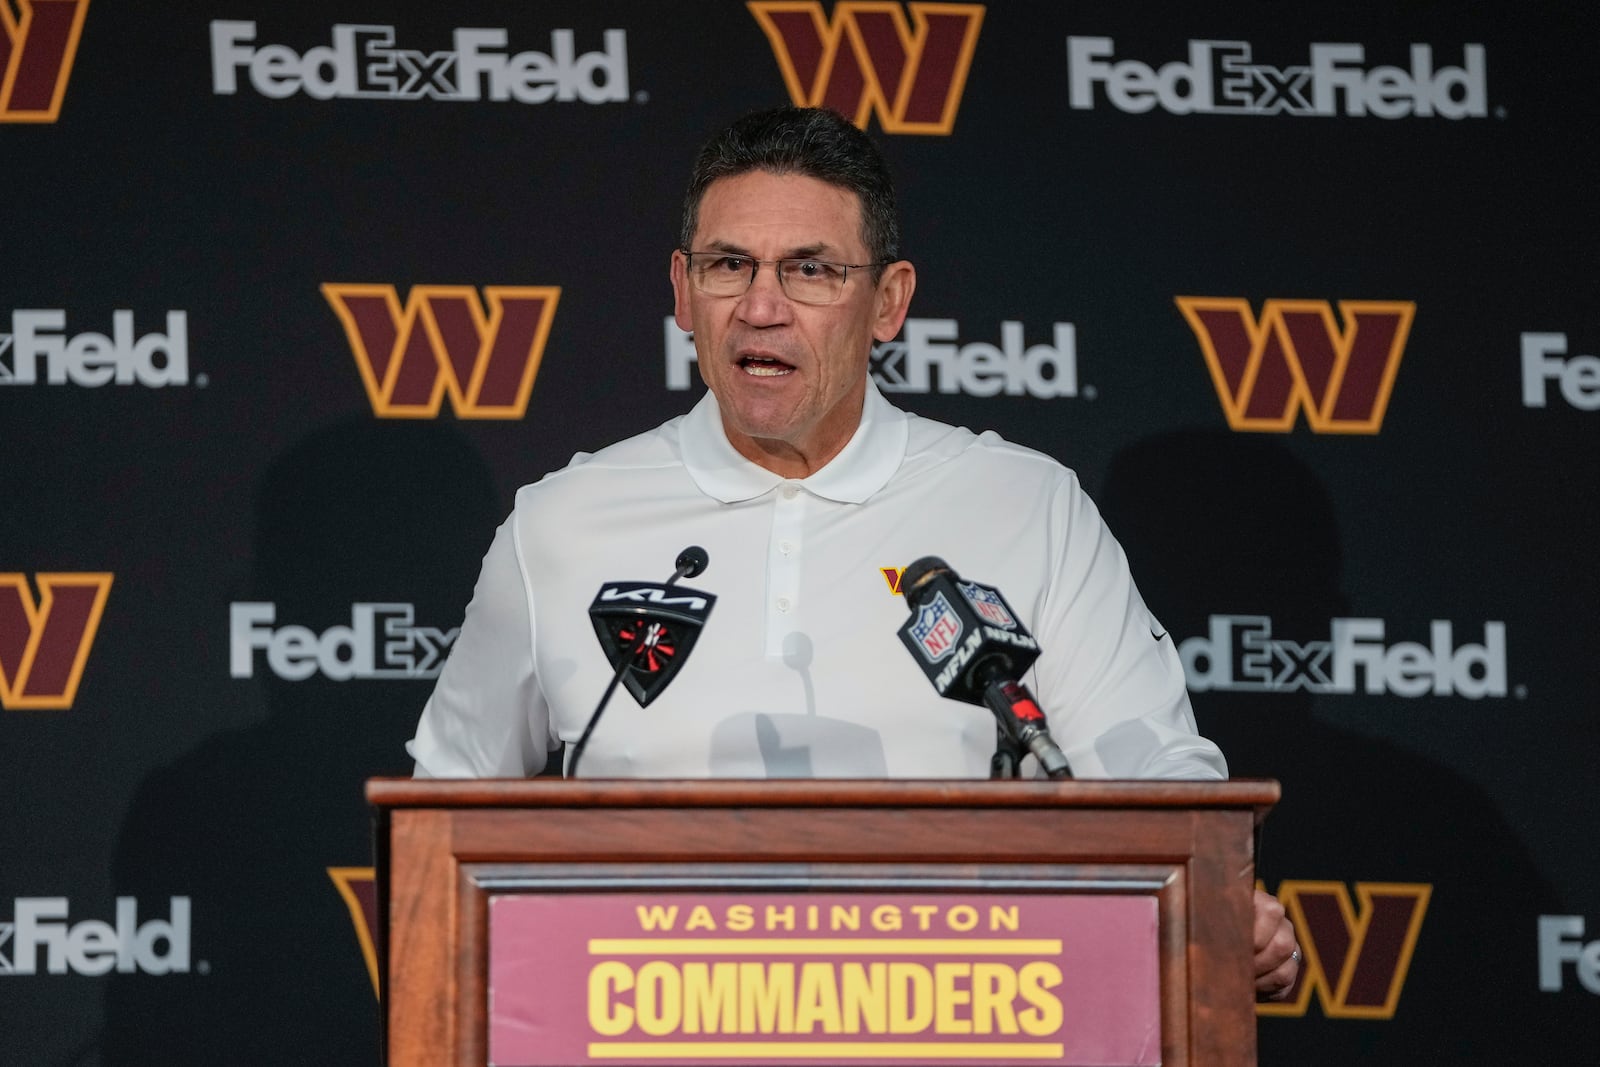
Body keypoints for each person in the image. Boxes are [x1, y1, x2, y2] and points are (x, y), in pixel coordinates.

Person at [406, 105, 1299, 999]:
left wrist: (1220, 900)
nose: (762, 307)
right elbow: (436, 827)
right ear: (682, 291)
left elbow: (1155, 781)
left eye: (812, 270)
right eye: (729, 266)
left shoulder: (1026, 507)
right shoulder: (563, 523)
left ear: (890, 301)